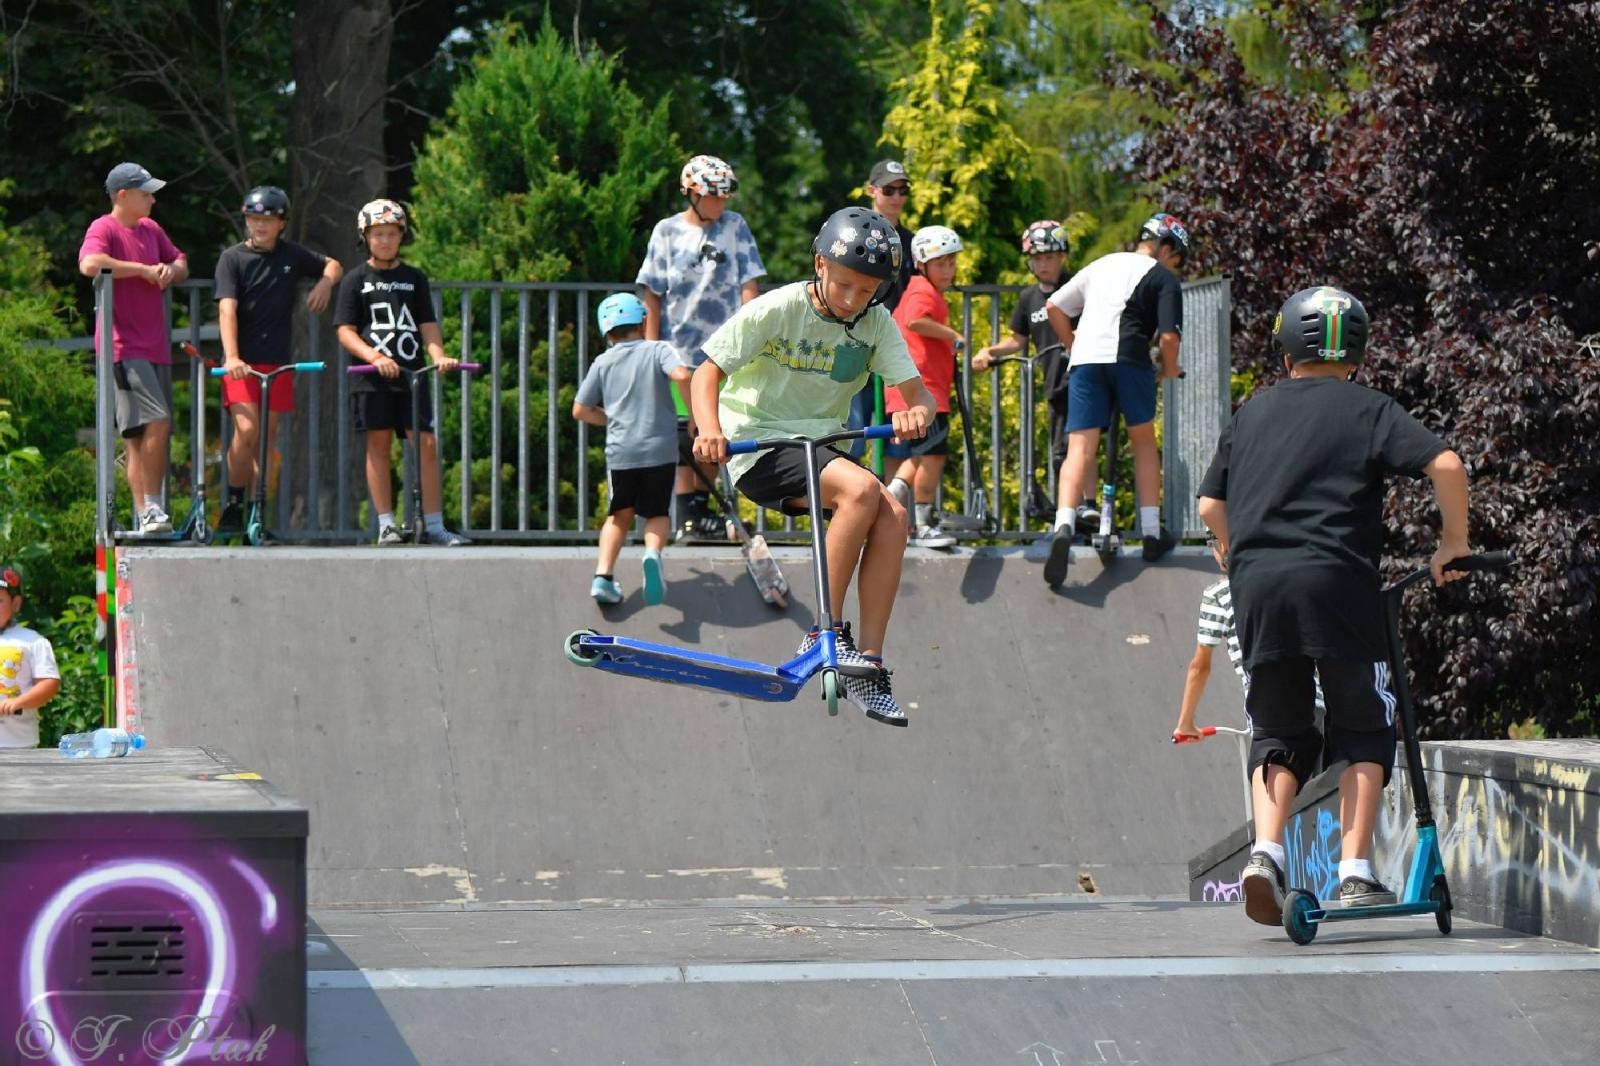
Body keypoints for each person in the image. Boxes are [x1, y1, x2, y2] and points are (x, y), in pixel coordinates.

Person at [1196, 285, 1471, 926]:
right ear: (1357, 351)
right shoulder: (1368, 408)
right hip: (1338, 587)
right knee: (1362, 727)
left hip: (1259, 588)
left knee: (1280, 730)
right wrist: (1451, 544)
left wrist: (1236, 550)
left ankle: (1265, 853)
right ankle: (1354, 872)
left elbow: (1212, 505)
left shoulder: (1253, 413)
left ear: (1287, 347)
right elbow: (1446, 464)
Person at [689, 206, 936, 726]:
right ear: (819, 265)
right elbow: (706, 374)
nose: (853, 301)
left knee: (892, 514)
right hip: (758, 445)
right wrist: (709, 430)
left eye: (867, 292)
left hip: (821, 446)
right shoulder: (777, 309)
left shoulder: (875, 324)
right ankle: (825, 631)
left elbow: (919, 395)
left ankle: (867, 665)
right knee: (863, 493)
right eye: (845, 285)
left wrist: (916, 411)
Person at [1042, 213, 1189, 586]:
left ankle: (1063, 524)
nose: (1177, 267)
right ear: (1165, 248)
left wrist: (1073, 346)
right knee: (1142, 442)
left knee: (1080, 447)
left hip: (1087, 362)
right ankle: (1153, 533)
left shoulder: (1102, 263)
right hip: (1131, 361)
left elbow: (1056, 308)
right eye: (1178, 259)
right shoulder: (1163, 278)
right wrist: (1169, 369)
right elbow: (1169, 339)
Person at [636, 154, 766, 542]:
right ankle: (688, 512)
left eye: (727, 196)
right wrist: (651, 348)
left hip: (722, 353)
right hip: (679, 351)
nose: (721, 204)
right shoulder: (667, 231)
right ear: (691, 193)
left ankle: (703, 506)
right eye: (715, 196)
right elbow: (652, 292)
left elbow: (749, 284)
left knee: (716, 429)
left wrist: (751, 339)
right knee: (683, 433)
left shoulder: (735, 227)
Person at [334, 199, 470, 546]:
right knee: (377, 445)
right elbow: (345, 330)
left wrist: (438, 355)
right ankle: (386, 525)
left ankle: (435, 524)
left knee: (425, 442)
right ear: (365, 237)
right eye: (378, 234)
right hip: (371, 377)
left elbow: (428, 324)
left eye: (392, 233)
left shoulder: (414, 278)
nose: (385, 240)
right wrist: (374, 356)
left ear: (401, 236)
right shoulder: (355, 279)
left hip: (411, 375)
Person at [213, 185, 343, 537]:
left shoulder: (291, 255)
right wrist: (233, 356)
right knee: (248, 432)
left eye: (267, 220)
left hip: (277, 362)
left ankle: (258, 514)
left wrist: (325, 285)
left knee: (268, 443)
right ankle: (234, 503)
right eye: (253, 219)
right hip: (241, 362)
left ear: (282, 223)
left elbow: (332, 265)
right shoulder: (232, 259)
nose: (259, 225)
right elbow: (227, 309)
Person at [77, 162, 189, 534]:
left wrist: (171, 271)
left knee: (140, 436)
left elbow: (180, 260)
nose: (153, 200)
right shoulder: (103, 227)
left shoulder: (151, 228)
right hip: (122, 347)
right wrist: (141, 269)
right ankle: (151, 506)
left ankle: (146, 513)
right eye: (145, 194)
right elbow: (90, 264)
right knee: (157, 420)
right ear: (123, 196)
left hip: (154, 345)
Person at [973, 219, 1097, 530]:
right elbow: (1018, 339)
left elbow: (1098, 321)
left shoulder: (1077, 287)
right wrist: (990, 352)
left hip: (1081, 376)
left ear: (1063, 257)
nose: (1044, 264)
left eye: (1050, 257)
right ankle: (1073, 511)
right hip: (1053, 380)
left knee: (1081, 444)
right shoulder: (1029, 298)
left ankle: (1089, 506)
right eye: (1038, 258)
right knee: (1061, 450)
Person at [573, 293, 694, 606]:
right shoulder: (657, 350)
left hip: (621, 452)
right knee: (656, 512)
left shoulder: (603, 362)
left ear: (606, 331)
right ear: (643, 321)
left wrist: (609, 418)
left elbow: (580, 410)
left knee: (619, 515)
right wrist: (696, 417)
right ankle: (652, 553)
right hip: (659, 449)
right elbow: (681, 374)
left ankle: (603, 577)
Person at [1171, 532, 1325, 745]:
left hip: (1267, 706)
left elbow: (1200, 667)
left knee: (1269, 773)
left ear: (1222, 547)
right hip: (1314, 702)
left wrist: (1185, 722)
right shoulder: (1289, 582)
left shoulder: (1219, 594)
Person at [884, 224, 965, 548]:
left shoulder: (922, 288)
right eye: (940, 264)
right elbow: (915, 321)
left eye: (951, 263)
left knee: (922, 455)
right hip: (923, 390)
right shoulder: (921, 289)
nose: (948, 270)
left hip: (922, 388)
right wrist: (953, 335)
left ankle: (891, 500)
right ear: (921, 264)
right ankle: (922, 523)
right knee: (932, 456)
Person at [846, 159, 918, 458]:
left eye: (903, 190)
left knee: (898, 439)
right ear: (872, 191)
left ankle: (888, 501)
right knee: (850, 433)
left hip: (894, 345)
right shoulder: (853, 235)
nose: (897, 197)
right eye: (890, 190)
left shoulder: (913, 242)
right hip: (854, 340)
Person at [0, 567, 61, 750]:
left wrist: (17, 703)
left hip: (18, 744)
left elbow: (49, 683)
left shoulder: (32, 641)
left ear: (16, 604)